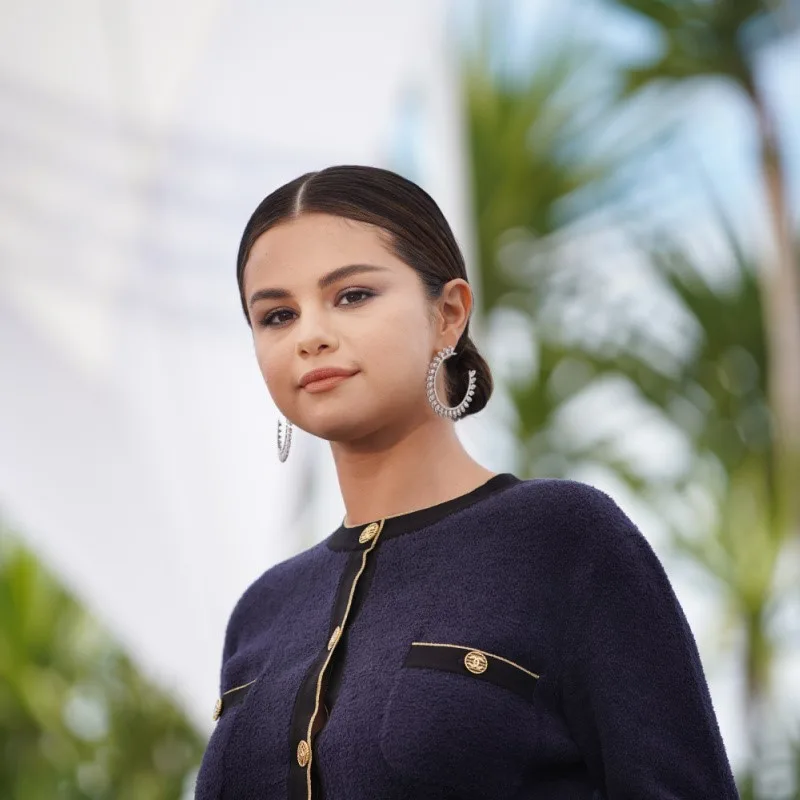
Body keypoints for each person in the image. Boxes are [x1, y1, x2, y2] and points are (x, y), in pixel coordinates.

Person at [194, 165, 740, 800]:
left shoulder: (562, 539)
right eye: (278, 315)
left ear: (448, 314)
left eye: (352, 296)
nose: (310, 336)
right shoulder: (264, 610)